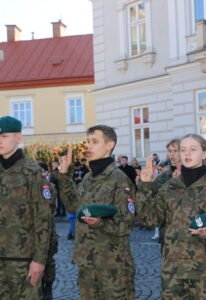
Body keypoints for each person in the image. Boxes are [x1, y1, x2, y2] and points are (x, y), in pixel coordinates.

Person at [136, 134, 206, 299]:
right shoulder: (169, 186)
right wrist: (145, 186)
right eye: (183, 150)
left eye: (193, 149)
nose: (187, 154)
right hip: (173, 272)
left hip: (205, 271)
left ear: (204, 153)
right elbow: (149, 220)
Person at [58, 125, 136, 299]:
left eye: (94, 141)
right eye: (88, 141)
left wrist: (101, 223)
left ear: (110, 145)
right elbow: (73, 207)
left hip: (112, 267)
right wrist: (63, 175)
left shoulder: (119, 179)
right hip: (87, 264)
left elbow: (127, 223)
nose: (89, 146)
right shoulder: (88, 178)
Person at [0, 116, 53, 300]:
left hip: (23, 261)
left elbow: (44, 219)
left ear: (18, 138)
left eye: (4, 136)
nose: (0, 140)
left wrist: (39, 260)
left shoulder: (33, 172)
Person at [150, 138, 181, 242]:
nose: (172, 154)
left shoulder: (191, 175)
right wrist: (145, 183)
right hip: (167, 235)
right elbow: (152, 199)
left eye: (175, 151)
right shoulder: (162, 177)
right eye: (170, 151)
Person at [38, 161, 58, 299]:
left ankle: (48, 287)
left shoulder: (48, 187)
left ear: (45, 172)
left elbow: (49, 206)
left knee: (49, 260)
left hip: (48, 230)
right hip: (33, 231)